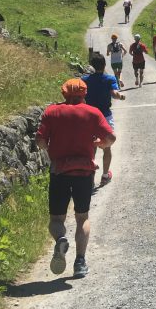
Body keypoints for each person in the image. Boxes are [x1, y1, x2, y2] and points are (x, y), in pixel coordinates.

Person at [36, 78, 115, 278]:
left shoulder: (52, 112)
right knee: (82, 217)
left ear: (64, 93)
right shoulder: (93, 113)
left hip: (59, 172)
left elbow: (40, 141)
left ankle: (61, 239)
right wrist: (100, 143)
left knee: (56, 219)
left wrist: (49, 148)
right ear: (84, 94)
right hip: (84, 172)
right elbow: (110, 138)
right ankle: (80, 263)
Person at [82, 53, 125, 185]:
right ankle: (105, 176)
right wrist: (121, 97)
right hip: (104, 116)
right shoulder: (110, 78)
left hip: (89, 117)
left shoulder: (85, 80)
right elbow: (114, 94)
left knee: (92, 147)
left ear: (92, 66)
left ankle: (90, 177)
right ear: (104, 65)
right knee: (107, 147)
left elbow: (81, 97)